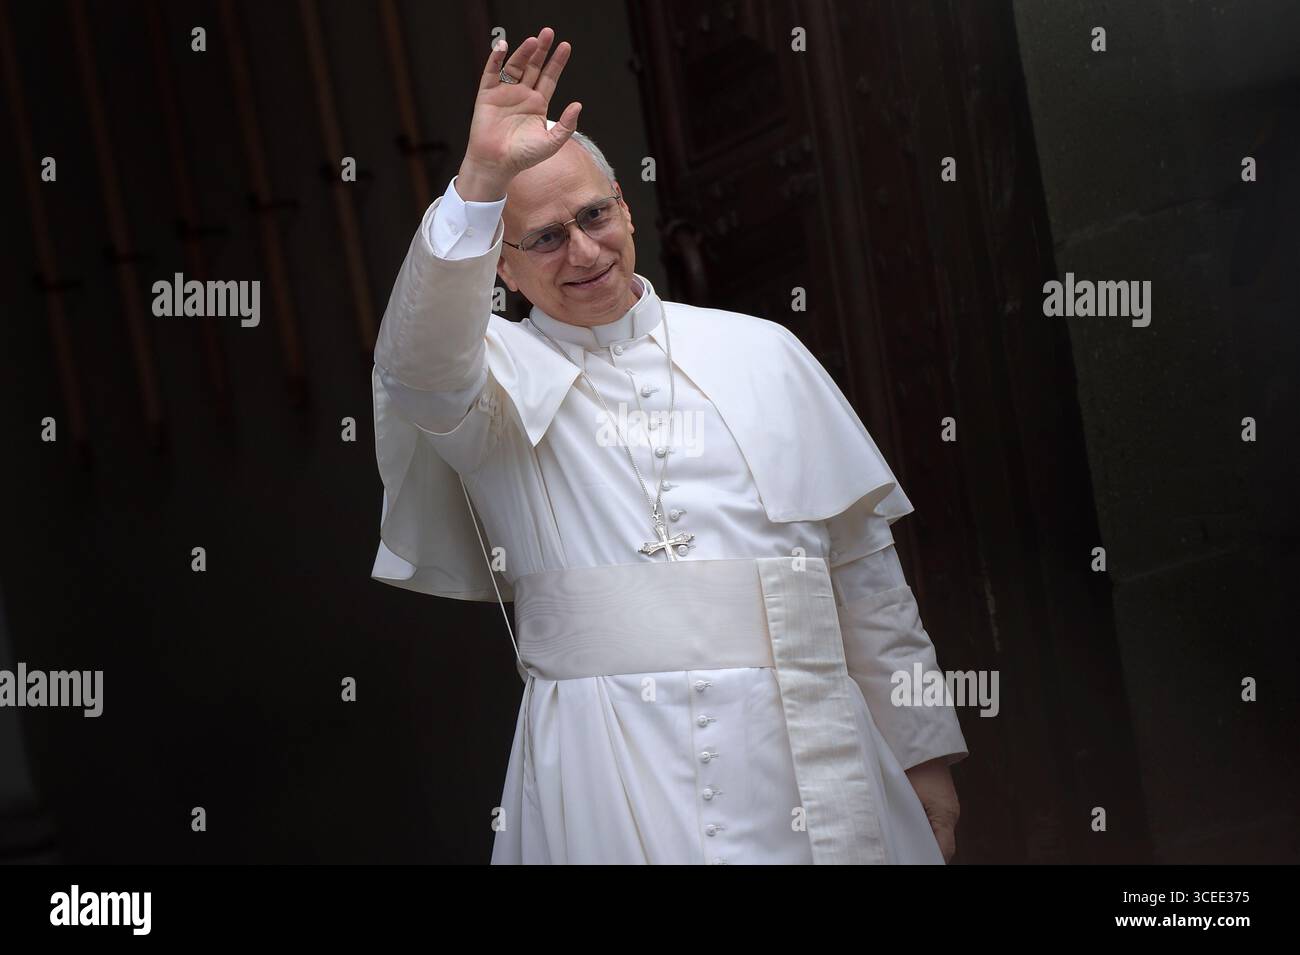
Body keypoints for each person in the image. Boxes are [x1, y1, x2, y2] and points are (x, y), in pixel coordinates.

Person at [369, 27, 968, 864]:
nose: (583, 250)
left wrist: (924, 754)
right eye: (544, 237)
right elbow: (417, 362)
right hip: (608, 763)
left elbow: (863, 575)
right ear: (500, 268)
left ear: (623, 201)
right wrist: (477, 184)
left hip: (813, 748)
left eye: (594, 215)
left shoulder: (763, 351)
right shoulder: (488, 381)